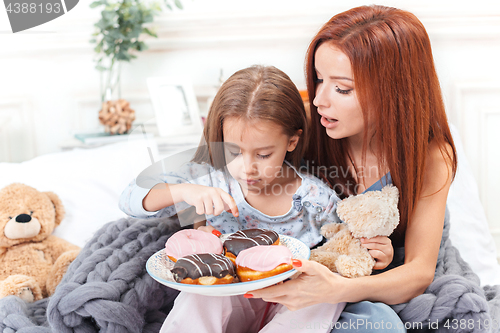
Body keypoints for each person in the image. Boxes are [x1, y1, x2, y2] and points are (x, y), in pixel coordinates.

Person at [119, 65, 394, 332]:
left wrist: (378, 253)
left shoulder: (313, 195)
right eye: (234, 152)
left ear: (292, 142)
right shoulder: (207, 179)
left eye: (263, 155)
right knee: (200, 296)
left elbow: (346, 242)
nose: (247, 167)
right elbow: (130, 197)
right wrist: (183, 192)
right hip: (228, 297)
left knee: (325, 295)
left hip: (291, 302)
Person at [247, 5, 458, 332]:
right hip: (289, 266)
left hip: (355, 285)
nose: (319, 99)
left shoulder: (431, 156)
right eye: (318, 79)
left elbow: (418, 271)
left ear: (395, 91)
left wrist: (335, 289)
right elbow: (221, 168)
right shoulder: (303, 124)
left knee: (380, 325)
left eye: (342, 88)